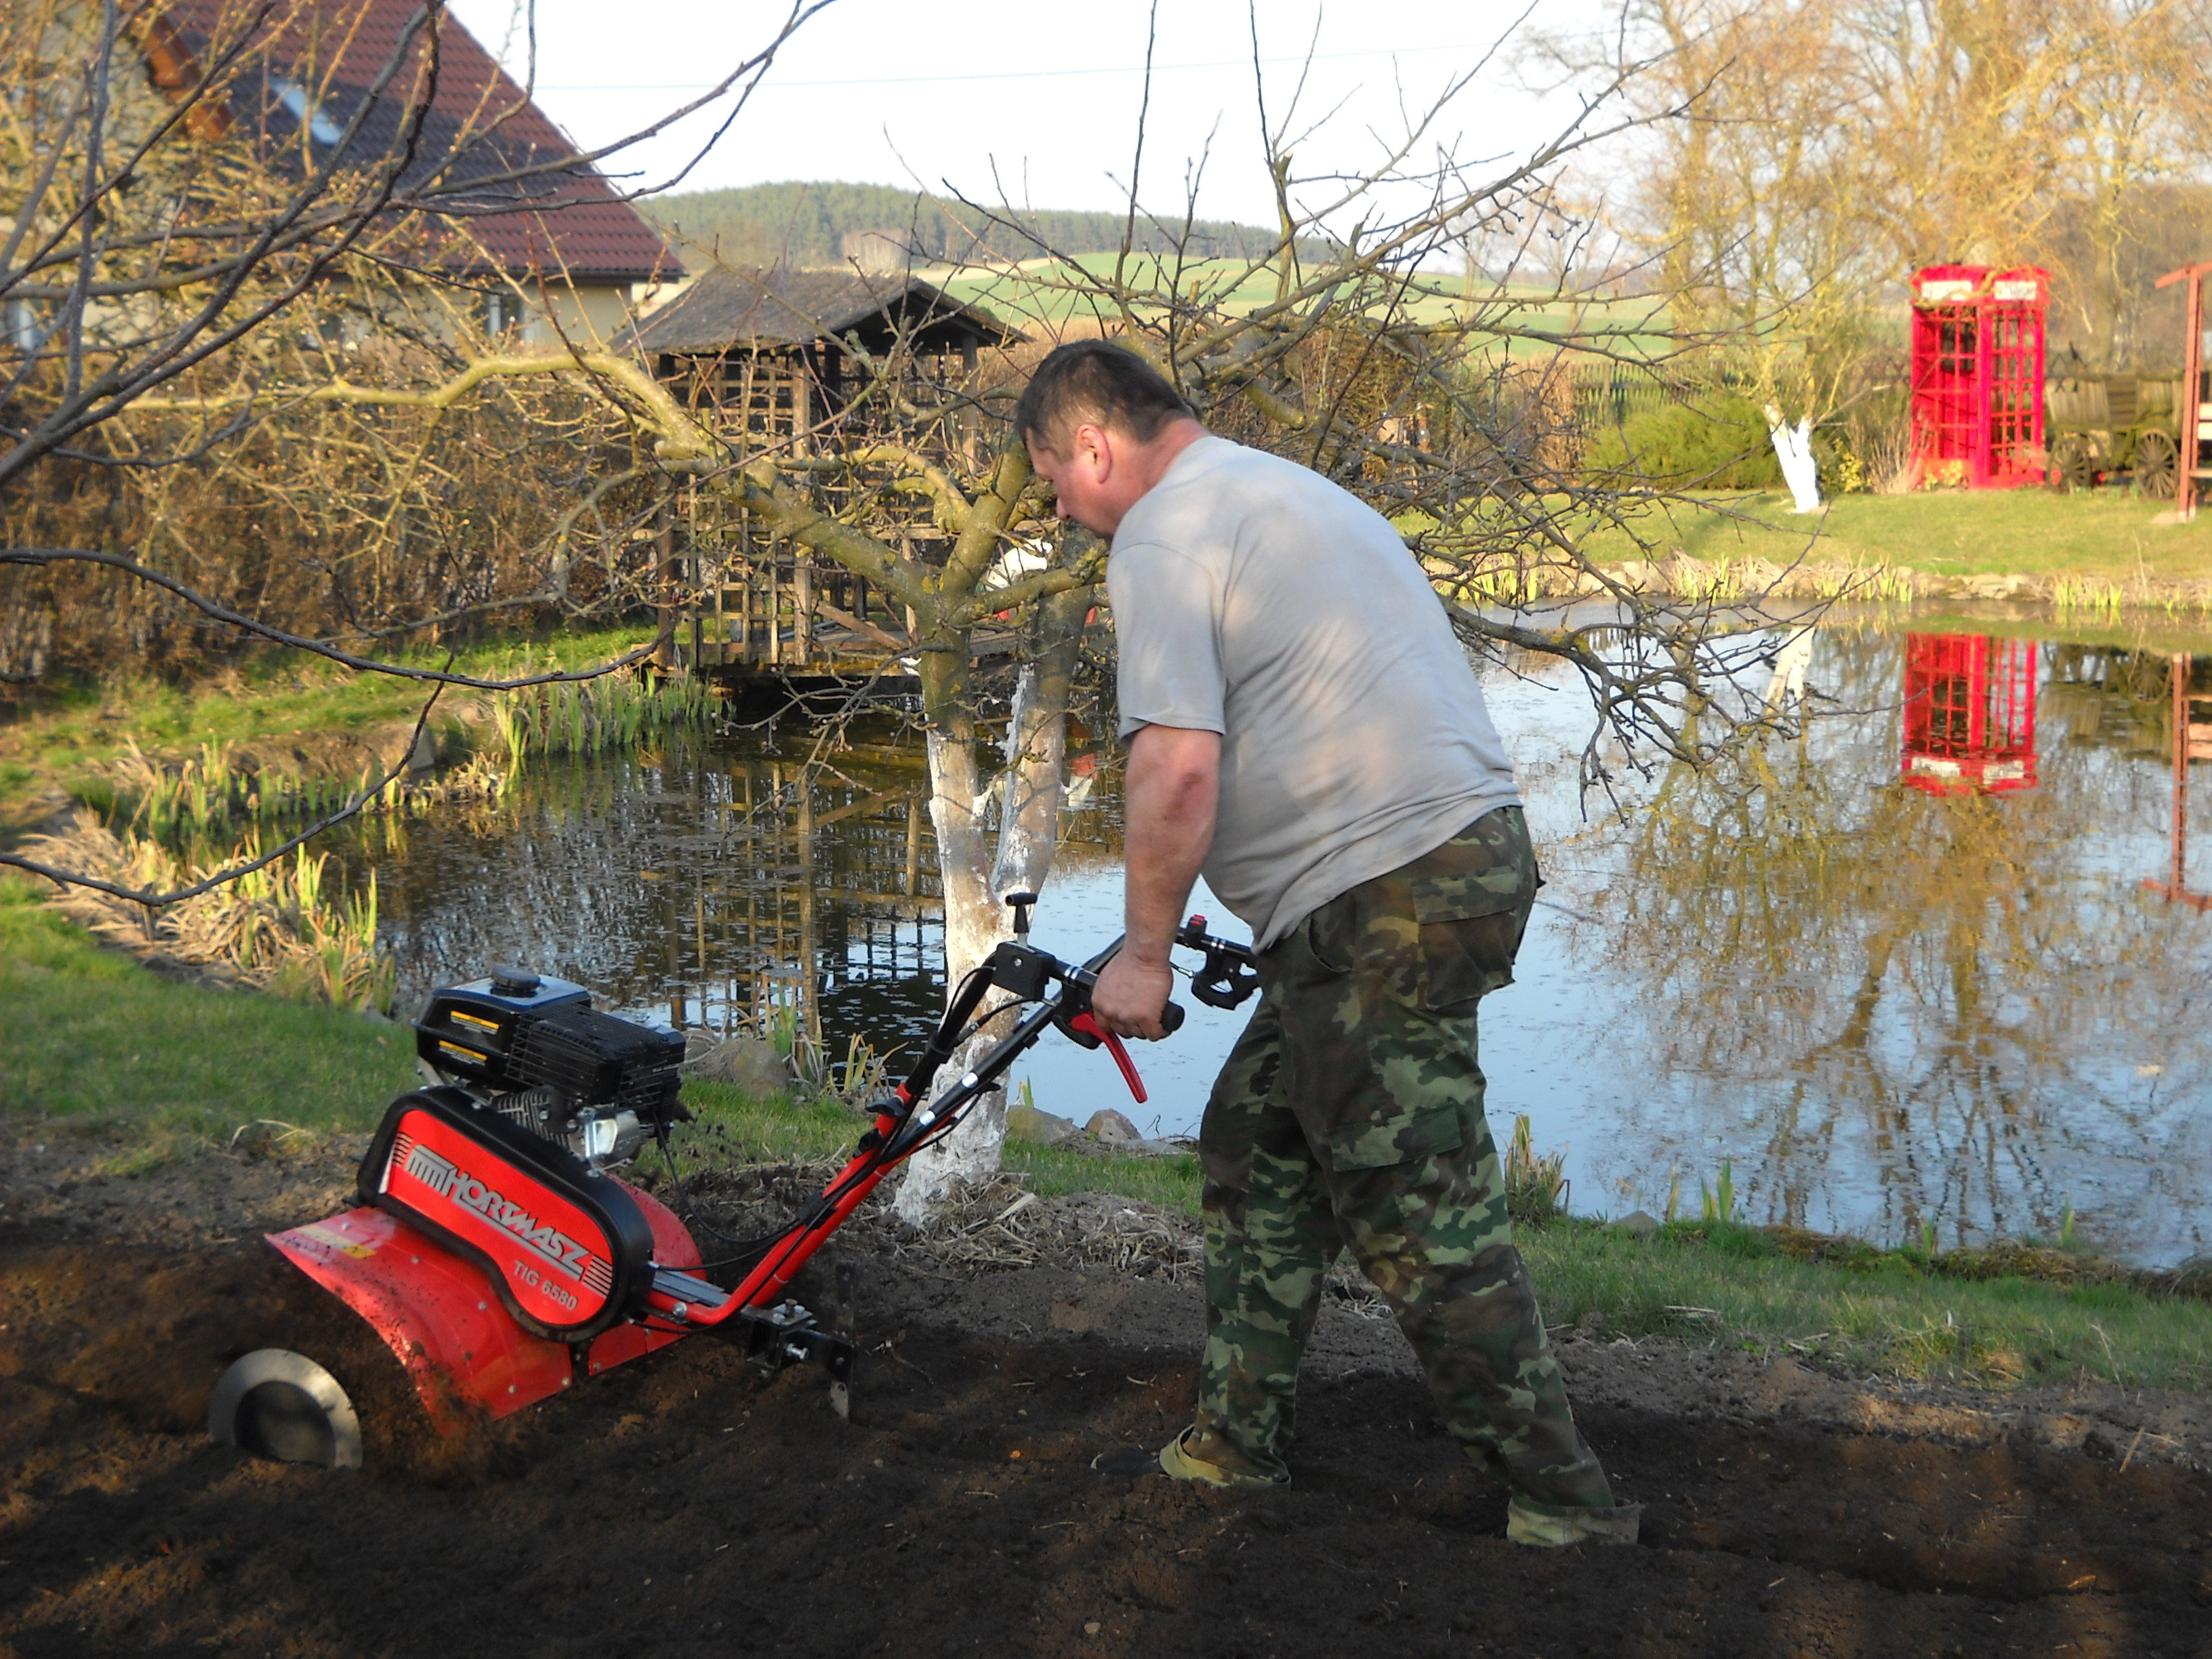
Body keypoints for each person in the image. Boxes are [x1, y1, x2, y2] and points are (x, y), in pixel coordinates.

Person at [1015, 340, 1638, 1548]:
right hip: (1440, 863)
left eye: (1050, 476)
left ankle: (1568, 1508)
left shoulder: (1160, 534)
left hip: (1383, 891)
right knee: (1259, 1141)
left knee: (1417, 1204)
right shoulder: (1288, 493)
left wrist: (1141, 957)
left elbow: (1176, 763)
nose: (1057, 504)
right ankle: (1235, 1445)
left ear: (1094, 445)